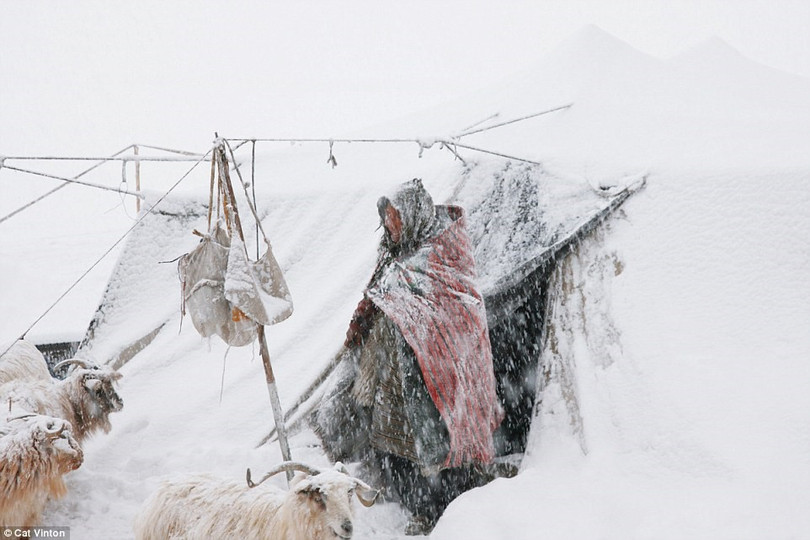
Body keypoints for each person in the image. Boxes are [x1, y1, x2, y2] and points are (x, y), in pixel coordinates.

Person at [342, 178, 503, 535]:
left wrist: (420, 332)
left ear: (413, 215)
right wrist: (362, 324)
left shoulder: (444, 252)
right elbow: (378, 292)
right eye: (387, 217)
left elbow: (458, 313)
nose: (390, 224)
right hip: (396, 370)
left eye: (396, 217)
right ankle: (414, 502)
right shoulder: (394, 254)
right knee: (396, 444)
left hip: (436, 374)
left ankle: (441, 510)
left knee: (439, 444)